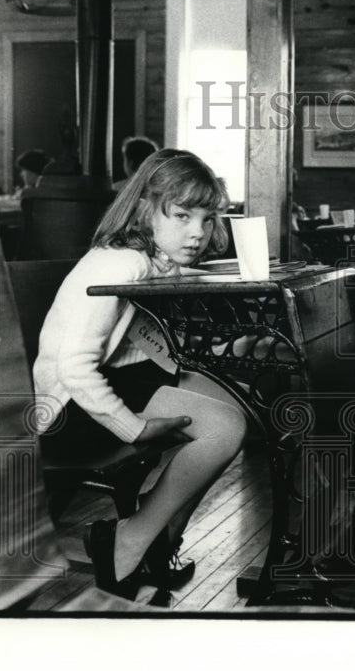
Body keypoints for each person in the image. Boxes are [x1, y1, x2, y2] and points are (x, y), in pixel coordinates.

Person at [32, 149, 247, 601]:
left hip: (116, 380)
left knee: (237, 405)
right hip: (67, 410)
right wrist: (135, 428)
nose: (197, 232)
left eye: (207, 219)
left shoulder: (151, 257)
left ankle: (154, 541)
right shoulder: (120, 263)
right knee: (225, 427)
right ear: (145, 209)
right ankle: (129, 542)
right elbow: (73, 367)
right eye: (183, 215)